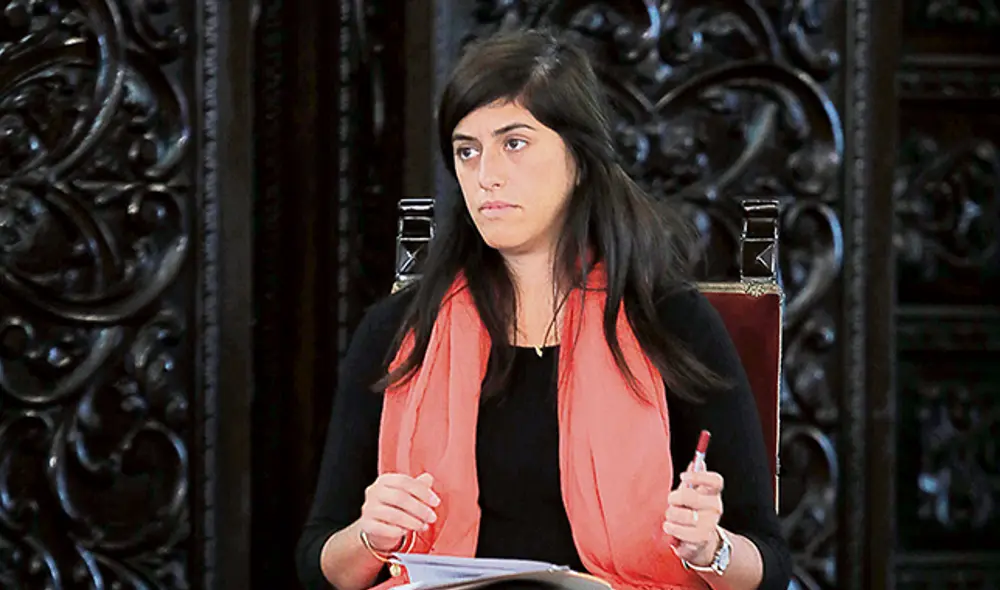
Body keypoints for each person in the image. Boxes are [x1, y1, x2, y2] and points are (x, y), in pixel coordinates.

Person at [295, 28, 792, 590]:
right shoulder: (402, 329)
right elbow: (320, 563)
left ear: (579, 158)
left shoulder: (667, 320)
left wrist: (711, 548)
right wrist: (369, 536)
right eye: (467, 150)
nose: (486, 176)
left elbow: (769, 567)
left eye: (514, 142)